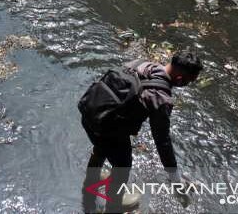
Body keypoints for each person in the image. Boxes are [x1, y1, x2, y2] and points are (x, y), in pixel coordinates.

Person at [78, 52, 203, 213]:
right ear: (180, 79)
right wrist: (175, 179)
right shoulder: (161, 97)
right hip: (107, 130)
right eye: (189, 81)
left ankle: (89, 182)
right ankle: (114, 206)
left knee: (100, 148)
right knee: (122, 167)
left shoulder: (141, 64)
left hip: (89, 111)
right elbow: (162, 141)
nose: (188, 84)